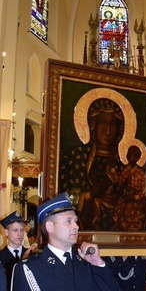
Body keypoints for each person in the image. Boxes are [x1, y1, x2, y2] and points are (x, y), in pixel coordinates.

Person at [59, 98, 125, 231]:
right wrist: (89, 195)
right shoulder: (76, 156)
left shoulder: (122, 164)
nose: (107, 131)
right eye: (102, 122)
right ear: (92, 124)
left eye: (112, 124)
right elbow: (62, 198)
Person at [111, 144, 146, 231]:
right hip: (124, 199)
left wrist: (134, 197)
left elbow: (144, 191)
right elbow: (119, 181)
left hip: (136, 202)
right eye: (128, 153)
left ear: (137, 157)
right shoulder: (126, 169)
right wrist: (113, 171)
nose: (128, 156)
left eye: (131, 154)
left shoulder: (141, 172)